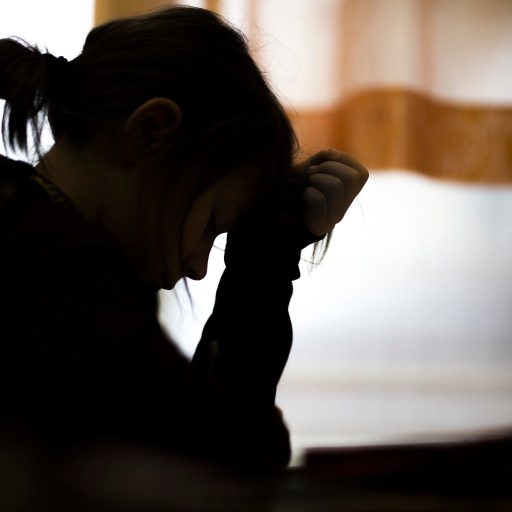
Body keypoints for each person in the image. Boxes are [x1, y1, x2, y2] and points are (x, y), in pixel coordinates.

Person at [0, 5, 368, 476]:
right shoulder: (59, 269)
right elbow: (233, 457)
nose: (196, 267)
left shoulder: (29, 226)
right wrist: (264, 263)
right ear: (150, 131)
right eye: (212, 223)